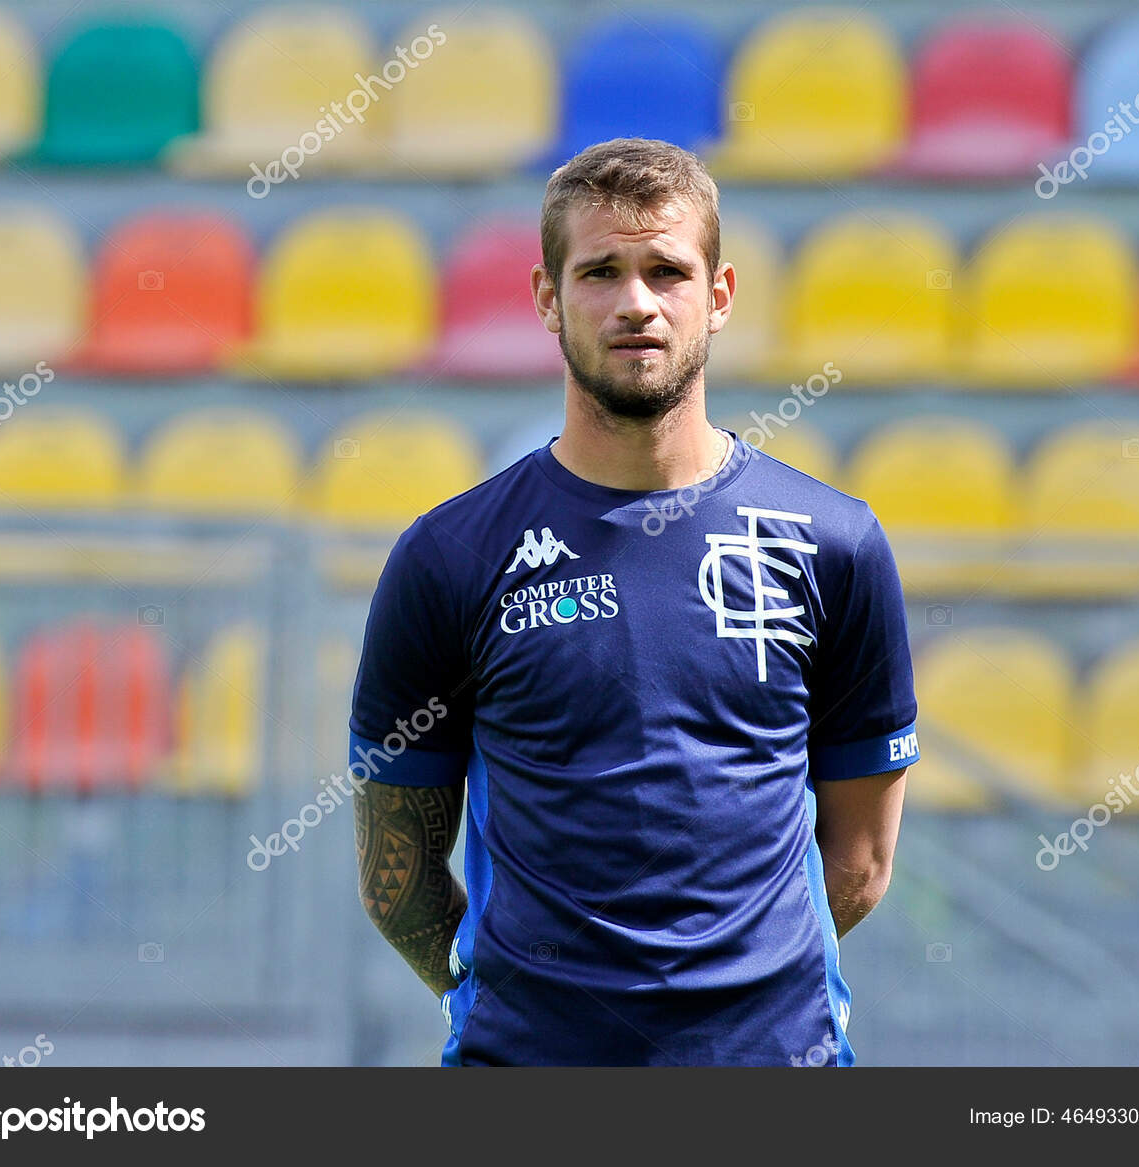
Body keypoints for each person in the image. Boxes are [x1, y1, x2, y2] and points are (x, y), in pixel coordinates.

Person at [350, 138, 917, 1066]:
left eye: (667, 270)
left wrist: (720, 1004)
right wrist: (503, 999)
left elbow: (858, 864)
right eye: (601, 271)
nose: (637, 303)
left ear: (720, 293)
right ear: (546, 297)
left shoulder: (835, 543)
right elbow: (397, 882)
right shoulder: (448, 558)